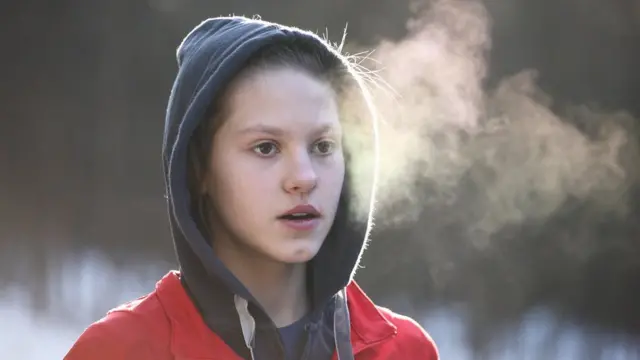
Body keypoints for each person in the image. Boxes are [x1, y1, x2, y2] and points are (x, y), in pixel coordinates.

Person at [65, 16, 439, 360]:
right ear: (199, 169)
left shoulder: (404, 350)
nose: (304, 177)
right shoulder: (120, 351)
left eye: (323, 146)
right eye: (266, 148)